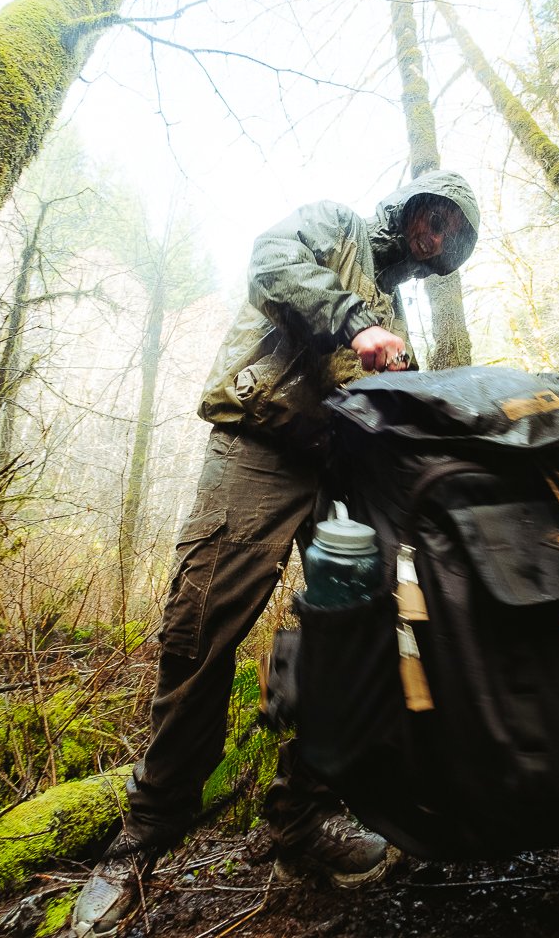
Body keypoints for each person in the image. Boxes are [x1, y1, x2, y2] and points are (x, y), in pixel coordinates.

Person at [72, 170, 480, 937]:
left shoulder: (397, 318)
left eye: (452, 237)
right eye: (435, 219)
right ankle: (145, 835)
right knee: (200, 629)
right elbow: (270, 261)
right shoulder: (337, 229)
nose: (437, 238)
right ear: (410, 208)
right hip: (259, 446)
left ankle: (305, 817)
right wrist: (355, 321)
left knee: (354, 639)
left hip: (340, 477)